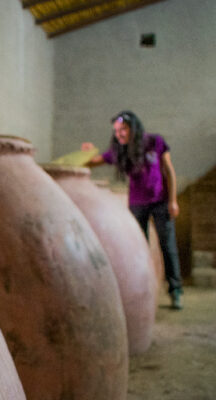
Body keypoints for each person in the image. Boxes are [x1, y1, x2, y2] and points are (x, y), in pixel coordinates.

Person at [81, 110, 184, 309]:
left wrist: (173, 201)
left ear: (133, 128)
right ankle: (144, 289)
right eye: (117, 131)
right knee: (140, 248)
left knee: (167, 245)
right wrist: (88, 152)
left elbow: (169, 171)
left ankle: (175, 290)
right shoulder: (118, 151)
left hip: (161, 201)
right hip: (137, 204)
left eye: (123, 129)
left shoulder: (155, 142)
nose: (119, 134)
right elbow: (92, 163)